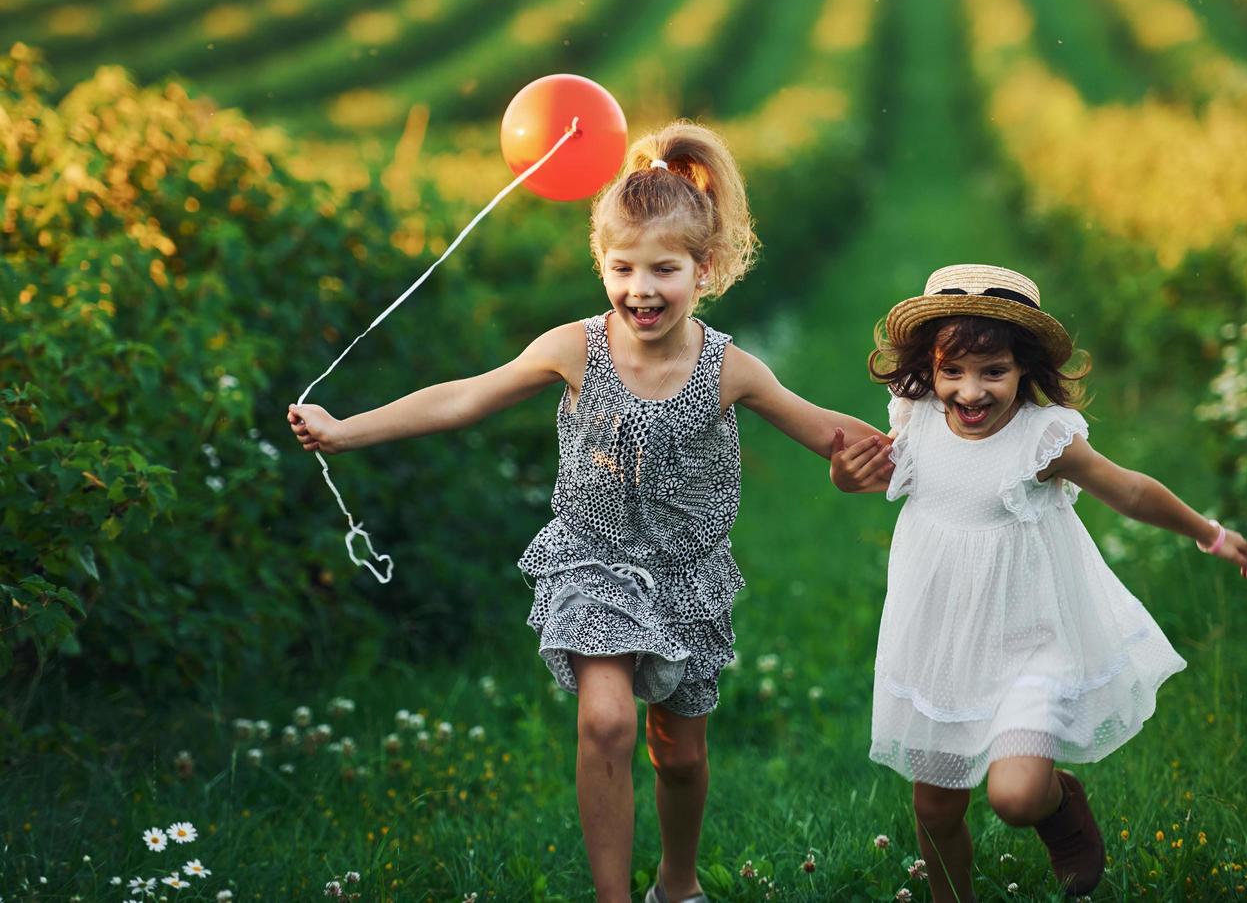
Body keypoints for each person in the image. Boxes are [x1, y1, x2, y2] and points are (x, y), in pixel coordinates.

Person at [287, 121, 887, 903]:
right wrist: (345, 431)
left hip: (684, 574)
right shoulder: (576, 347)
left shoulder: (728, 367)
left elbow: (830, 435)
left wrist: (902, 450)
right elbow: (463, 397)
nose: (641, 288)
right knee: (605, 722)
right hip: (592, 559)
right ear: (602, 265)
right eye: (622, 267)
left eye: (664, 270)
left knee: (678, 754)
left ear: (702, 271)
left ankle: (677, 882)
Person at [829, 264, 1247, 900]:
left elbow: (1131, 490)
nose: (970, 392)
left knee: (1016, 795)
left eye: (992, 371)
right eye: (953, 371)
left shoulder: (1043, 439)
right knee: (937, 811)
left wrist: (1207, 532)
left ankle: (1059, 808)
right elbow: (865, 477)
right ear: (930, 368)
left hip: (1032, 640)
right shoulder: (914, 421)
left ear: (1025, 369)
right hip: (941, 645)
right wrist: (842, 475)